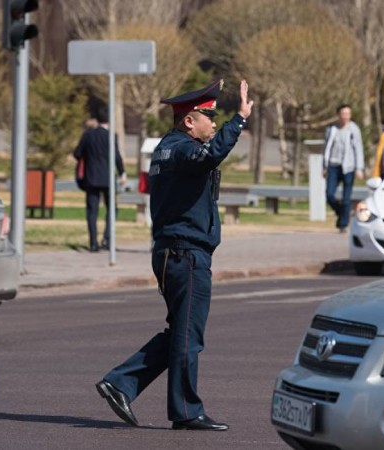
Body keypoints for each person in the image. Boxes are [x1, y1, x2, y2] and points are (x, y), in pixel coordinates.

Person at [95, 79, 253, 431]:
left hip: (172, 252)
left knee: (180, 333)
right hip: (186, 253)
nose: (214, 123)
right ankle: (185, 411)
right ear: (189, 121)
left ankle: (120, 383)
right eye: (209, 117)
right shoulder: (183, 150)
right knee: (187, 337)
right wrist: (239, 119)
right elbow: (212, 155)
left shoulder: (167, 149)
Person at [73, 106, 126, 253]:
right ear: (109, 120)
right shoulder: (111, 136)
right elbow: (117, 157)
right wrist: (122, 173)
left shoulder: (88, 135)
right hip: (108, 179)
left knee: (92, 211)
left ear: (96, 119)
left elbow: (77, 153)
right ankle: (107, 238)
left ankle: (93, 243)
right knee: (112, 209)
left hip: (91, 177)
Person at [323, 104, 364, 233]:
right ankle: (342, 213)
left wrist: (359, 168)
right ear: (338, 115)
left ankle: (342, 224)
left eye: (348, 114)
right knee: (329, 194)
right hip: (334, 165)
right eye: (343, 114)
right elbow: (326, 148)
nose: (345, 116)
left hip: (348, 167)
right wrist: (324, 166)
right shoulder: (332, 129)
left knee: (346, 199)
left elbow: (358, 149)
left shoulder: (354, 129)